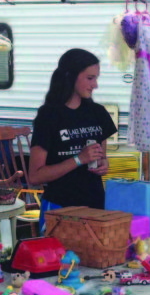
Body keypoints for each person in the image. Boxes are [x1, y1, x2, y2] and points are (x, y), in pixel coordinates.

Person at [29, 48, 117, 227]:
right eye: (90, 78)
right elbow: (35, 176)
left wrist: (103, 165)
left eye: (96, 78)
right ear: (70, 76)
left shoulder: (98, 113)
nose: (95, 85)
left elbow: (102, 158)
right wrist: (79, 159)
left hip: (95, 208)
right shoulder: (49, 116)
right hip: (59, 210)